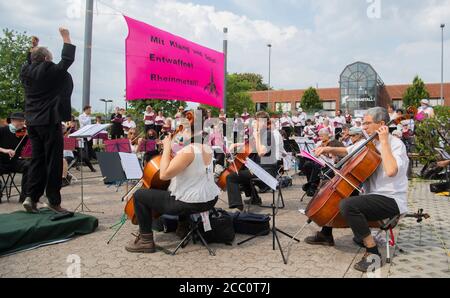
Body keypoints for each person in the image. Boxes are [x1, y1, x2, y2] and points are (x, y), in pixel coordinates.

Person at [305, 107, 409, 273]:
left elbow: (391, 171)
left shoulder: (396, 145)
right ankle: (326, 234)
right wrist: (327, 149)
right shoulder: (368, 142)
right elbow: (347, 150)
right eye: (363, 123)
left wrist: (384, 142)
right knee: (342, 191)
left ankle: (373, 253)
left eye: (367, 123)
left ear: (382, 124)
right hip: (372, 195)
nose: (363, 127)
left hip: (391, 199)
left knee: (348, 205)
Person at [125, 109, 220, 253]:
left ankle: (145, 241)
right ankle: (182, 227)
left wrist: (167, 147)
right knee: (178, 187)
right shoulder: (206, 147)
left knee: (140, 195)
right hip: (210, 200)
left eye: (180, 127)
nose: (179, 131)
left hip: (191, 203)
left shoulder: (188, 151)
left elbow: (163, 174)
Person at [20, 28, 75, 213]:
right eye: (50, 58)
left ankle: (31, 197)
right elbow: (66, 61)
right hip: (48, 121)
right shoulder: (48, 69)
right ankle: (53, 200)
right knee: (54, 162)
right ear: (45, 60)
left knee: (37, 160)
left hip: (32, 122)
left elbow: (30, 60)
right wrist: (66, 38)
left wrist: (32, 47)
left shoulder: (26, 71)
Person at [226, 111, 283, 209]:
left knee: (231, 177)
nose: (255, 124)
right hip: (259, 167)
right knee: (240, 171)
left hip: (266, 170)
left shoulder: (268, 134)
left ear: (264, 122)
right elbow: (250, 145)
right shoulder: (261, 134)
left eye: (257, 122)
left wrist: (256, 137)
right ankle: (255, 199)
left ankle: (237, 204)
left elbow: (261, 152)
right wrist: (235, 145)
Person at [0, 113, 30, 203]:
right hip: (1, 161)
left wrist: (30, 136)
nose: (22, 123)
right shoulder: (2, 130)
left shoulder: (23, 133)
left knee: (29, 166)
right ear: (12, 120)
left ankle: (25, 197)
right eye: (20, 121)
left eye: (23, 121)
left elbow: (28, 147)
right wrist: (5, 150)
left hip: (14, 162)